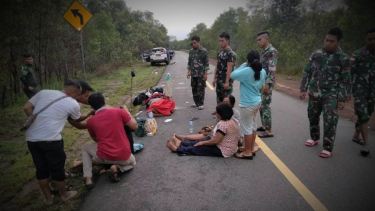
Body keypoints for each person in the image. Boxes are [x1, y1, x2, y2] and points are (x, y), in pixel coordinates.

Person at [24, 79, 90, 205]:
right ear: (72, 91)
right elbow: (77, 119)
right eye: (77, 94)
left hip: (32, 139)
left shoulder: (44, 92)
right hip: (51, 140)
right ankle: (64, 195)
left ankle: (48, 199)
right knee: (57, 168)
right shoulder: (72, 103)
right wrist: (90, 113)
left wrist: (37, 122)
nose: (77, 97)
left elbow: (26, 107)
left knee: (41, 170)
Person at [300, 27, 351, 158]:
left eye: (331, 41)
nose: (327, 43)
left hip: (331, 94)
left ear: (338, 42)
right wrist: (303, 89)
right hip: (314, 91)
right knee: (313, 115)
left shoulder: (343, 58)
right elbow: (307, 72)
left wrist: (342, 98)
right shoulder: (316, 54)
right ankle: (314, 137)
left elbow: (346, 80)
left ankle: (328, 147)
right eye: (326, 40)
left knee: (330, 119)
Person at [81, 92, 138, 187]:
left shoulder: (90, 122)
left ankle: (88, 179)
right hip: (124, 156)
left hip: (104, 157)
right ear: (105, 101)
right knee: (133, 163)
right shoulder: (118, 112)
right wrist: (127, 111)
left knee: (86, 147)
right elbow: (135, 126)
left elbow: (96, 140)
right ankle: (116, 168)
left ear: (91, 107)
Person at [166, 103, 241, 158]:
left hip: (223, 150)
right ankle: (181, 144)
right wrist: (203, 142)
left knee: (200, 148)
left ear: (222, 114)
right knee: (198, 143)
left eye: (217, 113)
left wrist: (203, 143)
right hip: (231, 148)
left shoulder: (223, 124)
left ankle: (177, 149)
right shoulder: (233, 121)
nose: (216, 114)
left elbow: (215, 141)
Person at [231, 50, 266, 159]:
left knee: (246, 128)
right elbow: (262, 86)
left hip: (247, 104)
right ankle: (251, 148)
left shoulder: (246, 70)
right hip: (257, 102)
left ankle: (247, 152)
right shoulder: (263, 71)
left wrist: (244, 64)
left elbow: (233, 75)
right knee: (253, 127)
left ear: (248, 60)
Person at [350, 28, 375, 156]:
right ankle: (366, 144)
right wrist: (347, 91)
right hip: (360, 88)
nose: (372, 41)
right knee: (363, 114)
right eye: (369, 39)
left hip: (373, 91)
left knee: (368, 112)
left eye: (374, 39)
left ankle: (357, 133)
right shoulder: (358, 54)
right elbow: (350, 73)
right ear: (365, 39)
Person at [256, 31, 278, 138]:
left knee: (265, 105)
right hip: (262, 82)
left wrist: (267, 84)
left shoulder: (271, 52)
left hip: (266, 83)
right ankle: (264, 126)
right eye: (257, 40)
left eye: (260, 39)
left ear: (266, 39)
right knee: (261, 105)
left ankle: (269, 131)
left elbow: (272, 68)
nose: (258, 42)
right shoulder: (264, 52)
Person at [212, 32, 237, 105]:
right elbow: (217, 65)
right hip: (219, 79)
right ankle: (219, 112)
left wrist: (227, 82)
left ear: (227, 41)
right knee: (219, 97)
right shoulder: (220, 52)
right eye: (220, 41)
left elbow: (229, 68)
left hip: (226, 80)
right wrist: (214, 78)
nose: (221, 43)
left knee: (226, 99)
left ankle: (226, 114)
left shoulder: (230, 53)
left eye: (222, 41)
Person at [187, 35, 209, 110]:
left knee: (201, 88)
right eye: (192, 43)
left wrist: (205, 74)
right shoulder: (191, 51)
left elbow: (206, 64)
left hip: (201, 73)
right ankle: (196, 102)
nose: (193, 44)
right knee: (194, 88)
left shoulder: (203, 51)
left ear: (198, 42)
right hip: (193, 73)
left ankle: (201, 103)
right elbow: (189, 62)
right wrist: (188, 72)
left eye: (195, 43)